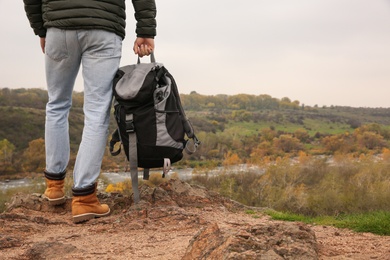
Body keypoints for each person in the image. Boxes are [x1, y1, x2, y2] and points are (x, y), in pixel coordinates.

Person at [23, 0, 156, 223]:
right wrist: (145, 30)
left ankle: (54, 187)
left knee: (56, 104)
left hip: (59, 28)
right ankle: (84, 199)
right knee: (96, 112)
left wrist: (42, 28)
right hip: (103, 29)